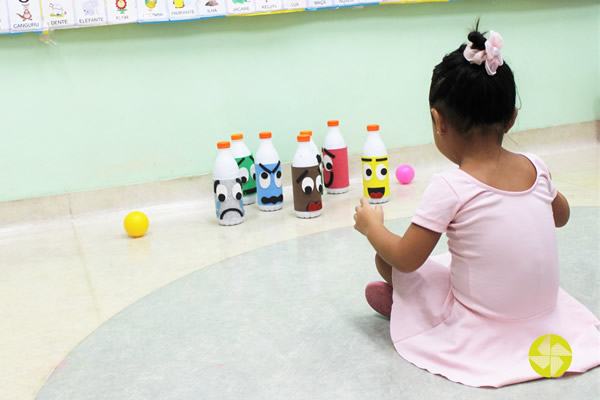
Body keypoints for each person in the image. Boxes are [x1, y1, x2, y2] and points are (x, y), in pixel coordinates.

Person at [353, 23, 600, 388]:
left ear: (439, 122)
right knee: (459, 261)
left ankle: (409, 310)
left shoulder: (450, 186)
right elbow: (561, 217)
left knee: (386, 259)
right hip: (545, 314)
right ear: (512, 117)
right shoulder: (536, 166)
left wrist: (372, 227)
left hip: (484, 328)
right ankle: (410, 305)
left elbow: (407, 257)